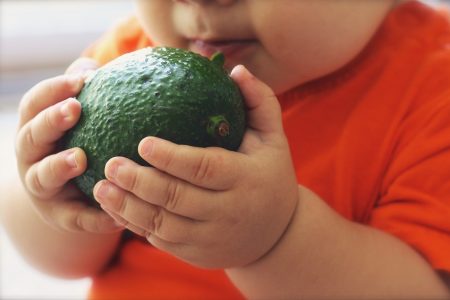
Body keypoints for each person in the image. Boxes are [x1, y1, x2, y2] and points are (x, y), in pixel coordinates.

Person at [1, 0, 450, 299]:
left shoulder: (435, 89)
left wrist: (275, 240)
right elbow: (59, 261)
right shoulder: (134, 57)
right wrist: (50, 187)